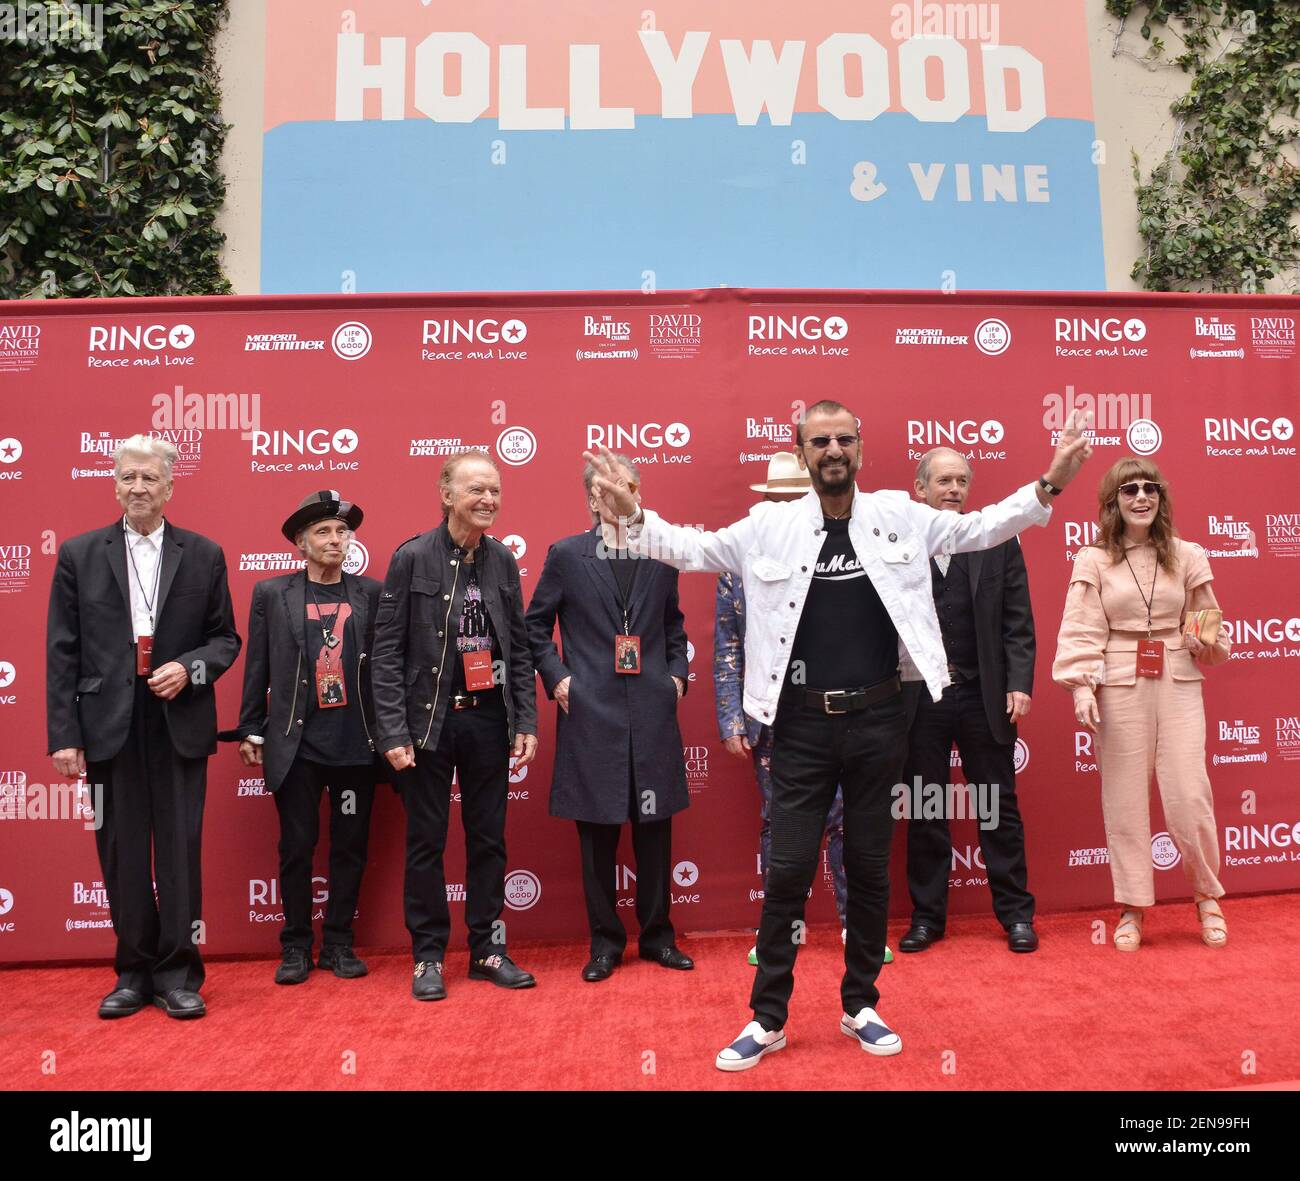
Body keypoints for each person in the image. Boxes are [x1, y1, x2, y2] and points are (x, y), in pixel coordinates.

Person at [585, 402, 1091, 1071]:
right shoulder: (768, 526)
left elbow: (978, 527)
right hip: (798, 725)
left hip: (883, 720)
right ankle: (767, 1017)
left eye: (843, 438)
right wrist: (631, 517)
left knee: (870, 867)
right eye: (819, 440)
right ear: (802, 452)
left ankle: (861, 1003)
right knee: (790, 869)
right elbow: (692, 548)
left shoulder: (899, 515)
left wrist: (1049, 484)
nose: (832, 449)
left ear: (861, 448)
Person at [46, 434, 240, 1020]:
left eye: (149, 478)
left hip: (178, 719)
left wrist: (190, 667)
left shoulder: (204, 553)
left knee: (179, 851)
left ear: (170, 486)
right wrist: (64, 734)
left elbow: (225, 638)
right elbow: (62, 650)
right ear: (114, 484)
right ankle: (132, 972)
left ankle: (178, 973)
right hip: (107, 726)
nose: (137, 487)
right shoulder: (79, 554)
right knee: (121, 850)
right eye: (128, 477)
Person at [372, 451, 539, 1000]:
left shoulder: (503, 562)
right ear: (447, 495)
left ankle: (488, 950)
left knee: (488, 840)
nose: (489, 500)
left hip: (489, 720)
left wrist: (526, 717)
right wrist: (392, 732)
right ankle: (427, 958)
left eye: (495, 490)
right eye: (476, 491)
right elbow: (388, 651)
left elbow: (518, 647)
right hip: (428, 725)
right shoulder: (412, 558)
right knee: (427, 840)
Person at [526, 456, 694, 982]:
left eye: (625, 486)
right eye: (605, 490)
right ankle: (604, 943)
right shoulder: (567, 556)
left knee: (655, 832)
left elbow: (674, 626)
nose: (615, 496)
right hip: (590, 710)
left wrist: (678, 677)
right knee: (597, 834)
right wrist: (558, 679)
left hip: (651, 710)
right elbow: (534, 629)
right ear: (591, 500)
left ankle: (658, 937)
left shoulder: (661, 552)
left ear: (635, 492)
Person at [1053, 458, 1230, 951]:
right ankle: (1133, 905)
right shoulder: (1093, 559)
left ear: (1161, 497)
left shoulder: (1187, 553)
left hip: (1177, 676)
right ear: (1114, 502)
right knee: (1125, 800)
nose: (1141, 497)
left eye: (1150, 488)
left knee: (1188, 794)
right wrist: (1082, 686)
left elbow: (1207, 620)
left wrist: (1202, 641)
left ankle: (1206, 896)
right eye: (1129, 490)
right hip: (1120, 680)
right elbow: (1083, 626)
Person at [715, 452, 884, 965]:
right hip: (772, 717)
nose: (789, 507)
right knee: (779, 825)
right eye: (779, 499)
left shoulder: (850, 548)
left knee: (852, 823)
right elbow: (727, 645)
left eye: (796, 497)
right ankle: (782, 932)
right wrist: (730, 717)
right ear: (766, 504)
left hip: (843, 713)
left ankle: (861, 930)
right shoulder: (741, 561)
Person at [228, 491, 384, 985]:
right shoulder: (273, 594)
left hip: (356, 746)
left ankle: (338, 943)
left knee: (350, 846)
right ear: (301, 542)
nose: (335, 540)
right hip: (297, 745)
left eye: (342, 531)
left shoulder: (372, 594)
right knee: (297, 846)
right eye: (323, 532)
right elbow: (257, 666)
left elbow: (386, 671)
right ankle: (295, 945)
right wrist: (251, 726)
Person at [899, 449, 1039, 954]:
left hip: (985, 695)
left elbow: (1017, 621)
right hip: (919, 696)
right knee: (924, 807)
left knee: (998, 806)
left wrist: (1018, 682)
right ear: (920, 489)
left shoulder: (996, 538)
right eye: (943, 480)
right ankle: (927, 918)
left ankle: (1017, 916)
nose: (954, 488)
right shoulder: (899, 544)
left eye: (961, 480)